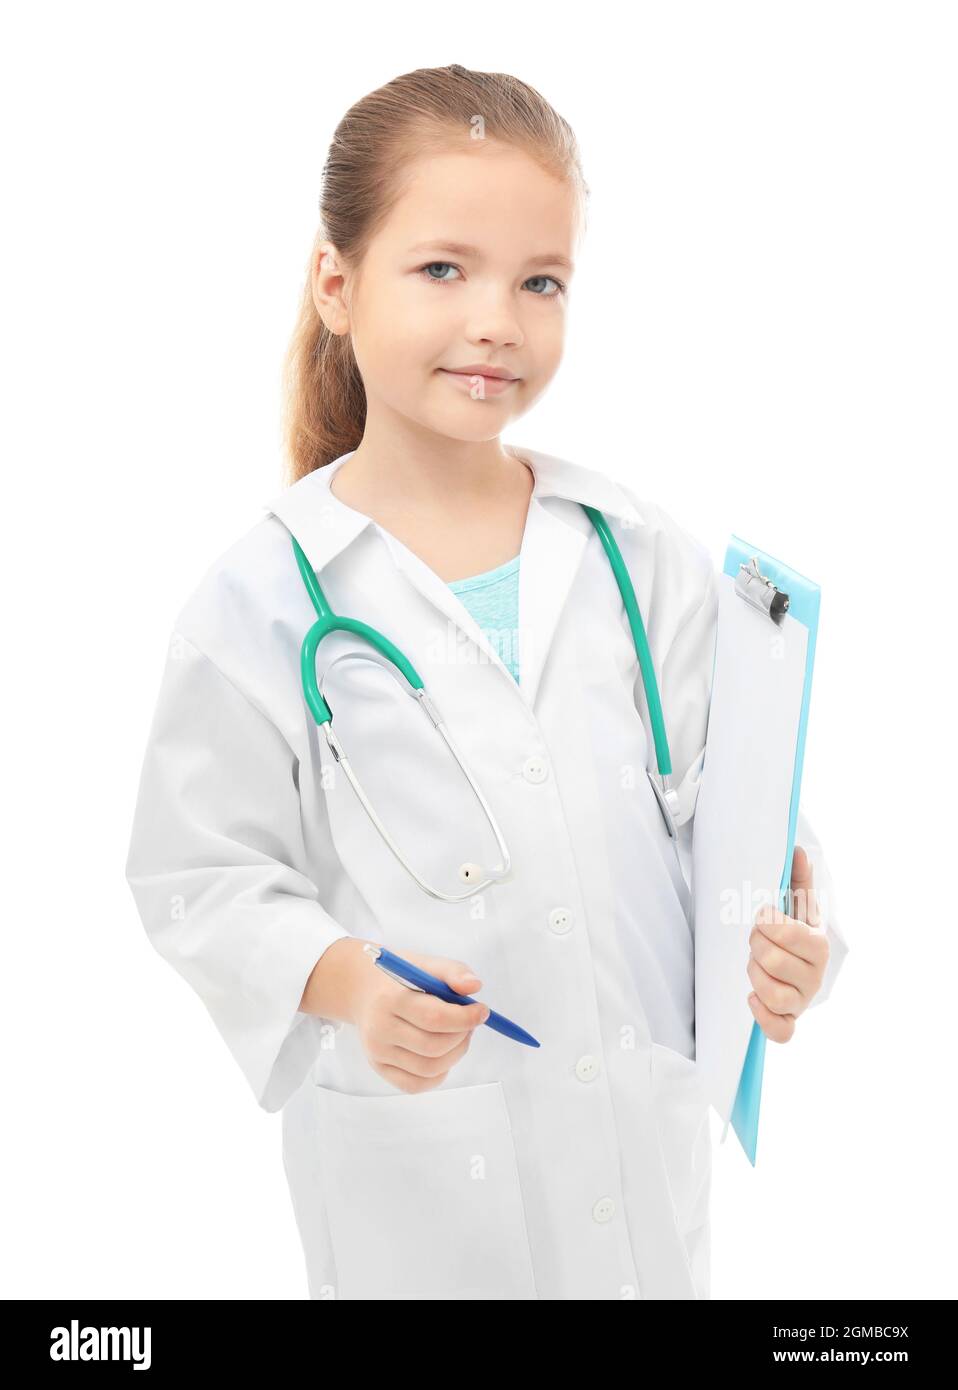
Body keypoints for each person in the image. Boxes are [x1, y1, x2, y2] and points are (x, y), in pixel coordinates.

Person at [125, 62, 848, 1301]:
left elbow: (739, 807)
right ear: (337, 284)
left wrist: (789, 935)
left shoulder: (632, 553)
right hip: (420, 1190)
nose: (498, 320)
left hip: (641, 1163)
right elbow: (198, 874)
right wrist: (343, 981)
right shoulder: (263, 596)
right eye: (443, 269)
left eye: (540, 281)